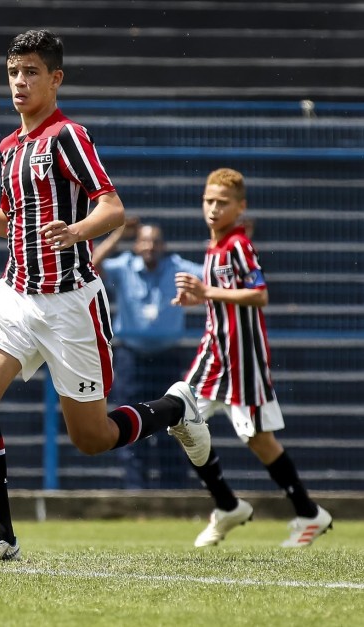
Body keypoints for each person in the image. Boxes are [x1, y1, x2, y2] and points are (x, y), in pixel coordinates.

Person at [0, 29, 210, 563]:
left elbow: (113, 209)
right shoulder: (10, 147)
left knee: (92, 438)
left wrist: (77, 231)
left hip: (70, 303)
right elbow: (10, 224)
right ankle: (0, 536)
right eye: (13, 72)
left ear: (55, 79)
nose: (19, 82)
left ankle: (175, 407)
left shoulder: (68, 136)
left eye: (31, 72)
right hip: (15, 295)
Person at [172, 167, 332, 548]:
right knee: (178, 417)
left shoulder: (238, 245)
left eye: (222, 203)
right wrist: (199, 297)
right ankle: (228, 505)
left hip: (241, 360)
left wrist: (207, 291)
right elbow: (224, 297)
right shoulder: (215, 246)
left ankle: (308, 514)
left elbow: (259, 295)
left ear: (240, 207)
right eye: (208, 201)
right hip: (214, 355)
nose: (213, 208)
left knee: (259, 439)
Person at [92, 217, 203, 489]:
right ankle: (135, 491)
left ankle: (173, 492)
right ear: (136, 244)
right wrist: (118, 235)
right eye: (144, 240)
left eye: (155, 241)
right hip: (132, 359)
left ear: (163, 245)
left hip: (168, 358)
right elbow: (91, 265)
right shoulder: (125, 266)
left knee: (174, 425)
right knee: (129, 421)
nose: (150, 246)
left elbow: (210, 273)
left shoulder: (177, 267)